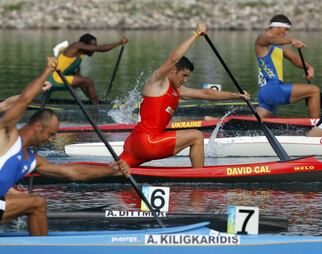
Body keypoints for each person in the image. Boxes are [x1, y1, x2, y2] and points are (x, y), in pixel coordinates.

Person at [0, 58, 130, 236]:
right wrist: (47, 71)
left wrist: (112, 170)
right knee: (36, 203)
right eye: (51, 133)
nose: (52, 138)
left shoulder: (33, 160)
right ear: (38, 126)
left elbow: (72, 172)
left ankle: (37, 247)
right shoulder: (6, 134)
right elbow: (23, 101)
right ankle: (41, 249)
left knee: (32, 202)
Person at [119, 24, 250, 168]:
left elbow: (206, 93)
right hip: (148, 142)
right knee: (197, 136)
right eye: (184, 75)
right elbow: (174, 58)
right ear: (173, 70)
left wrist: (236, 95)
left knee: (112, 171)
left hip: (133, 144)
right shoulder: (157, 82)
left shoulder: (177, 91)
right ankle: (200, 177)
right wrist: (195, 34)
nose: (185, 80)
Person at [255, 14, 321, 118]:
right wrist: (291, 40)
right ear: (277, 27)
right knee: (314, 90)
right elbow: (271, 39)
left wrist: (308, 68)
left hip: (265, 92)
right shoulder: (263, 38)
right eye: (285, 29)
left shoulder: (278, 46)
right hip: (273, 88)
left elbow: (294, 58)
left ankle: (235, 127)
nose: (286, 33)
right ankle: (317, 127)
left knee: (255, 122)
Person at [46, 34, 128, 104]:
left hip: (55, 80)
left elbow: (81, 81)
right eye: (93, 46)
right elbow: (100, 48)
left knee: (85, 82)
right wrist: (119, 43)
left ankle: (94, 104)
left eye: (96, 45)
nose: (94, 48)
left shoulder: (78, 56)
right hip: (55, 79)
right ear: (86, 45)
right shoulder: (76, 45)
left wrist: (91, 100)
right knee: (88, 81)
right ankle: (96, 108)